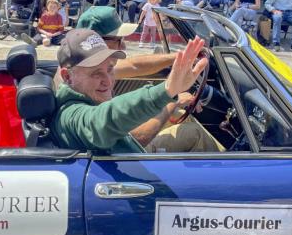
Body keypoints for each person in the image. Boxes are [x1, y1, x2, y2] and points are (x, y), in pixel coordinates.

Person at [50, 31, 214, 154]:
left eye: (110, 69)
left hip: (128, 155)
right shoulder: (70, 116)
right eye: (95, 73)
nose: (108, 81)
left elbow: (135, 66)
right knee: (195, 134)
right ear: (67, 76)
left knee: (187, 122)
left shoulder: (85, 93)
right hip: (133, 176)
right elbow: (102, 121)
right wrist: (168, 91)